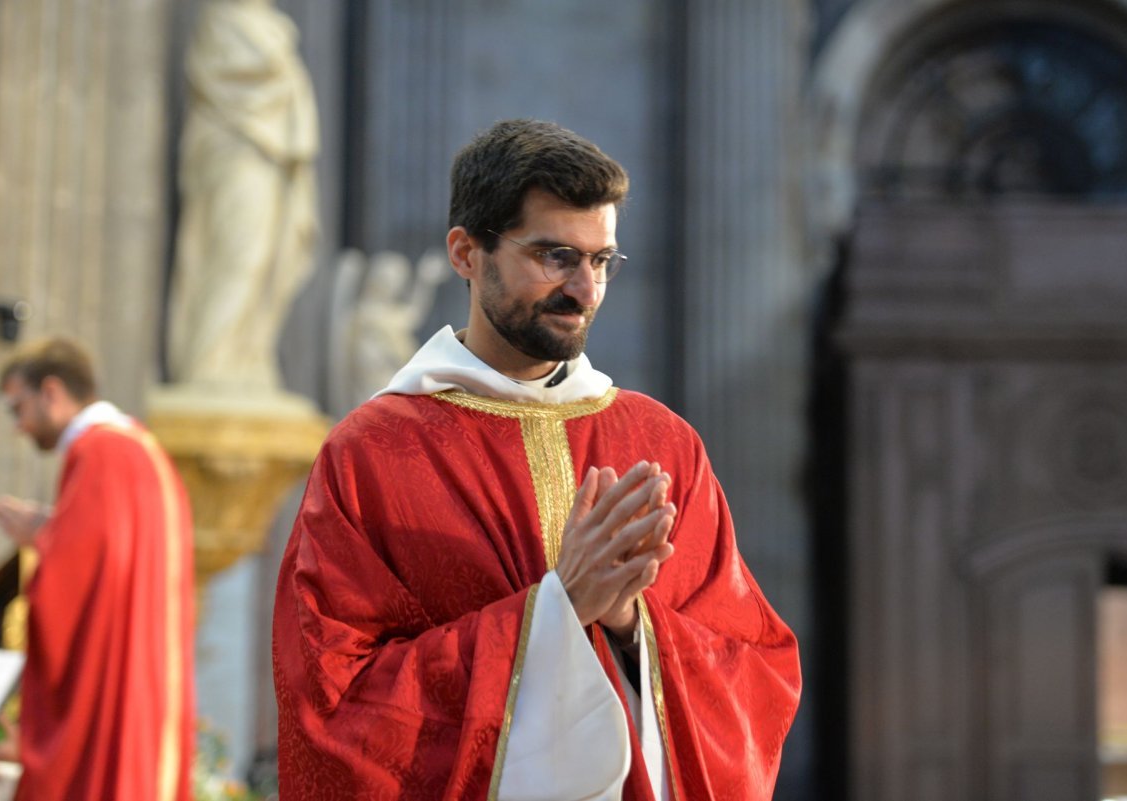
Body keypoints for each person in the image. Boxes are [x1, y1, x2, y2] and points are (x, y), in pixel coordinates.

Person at [272, 119, 801, 800]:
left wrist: (632, 625)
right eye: (556, 256)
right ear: (466, 252)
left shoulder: (661, 442)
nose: (584, 290)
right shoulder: (372, 454)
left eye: (602, 260)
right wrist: (558, 608)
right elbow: (332, 706)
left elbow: (756, 671)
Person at [0, 337, 194, 801]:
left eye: (17, 408)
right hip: (139, 675)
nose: (20, 428)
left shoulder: (97, 454)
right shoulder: (136, 448)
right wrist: (52, 528)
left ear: (51, 391)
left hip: (112, 682)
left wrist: (38, 543)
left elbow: (70, 588)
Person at [167, 0, 319, 391]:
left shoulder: (271, 24)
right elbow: (238, 80)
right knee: (237, 255)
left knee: (270, 261)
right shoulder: (224, 18)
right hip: (238, 148)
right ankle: (207, 363)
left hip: (268, 155)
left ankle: (245, 358)